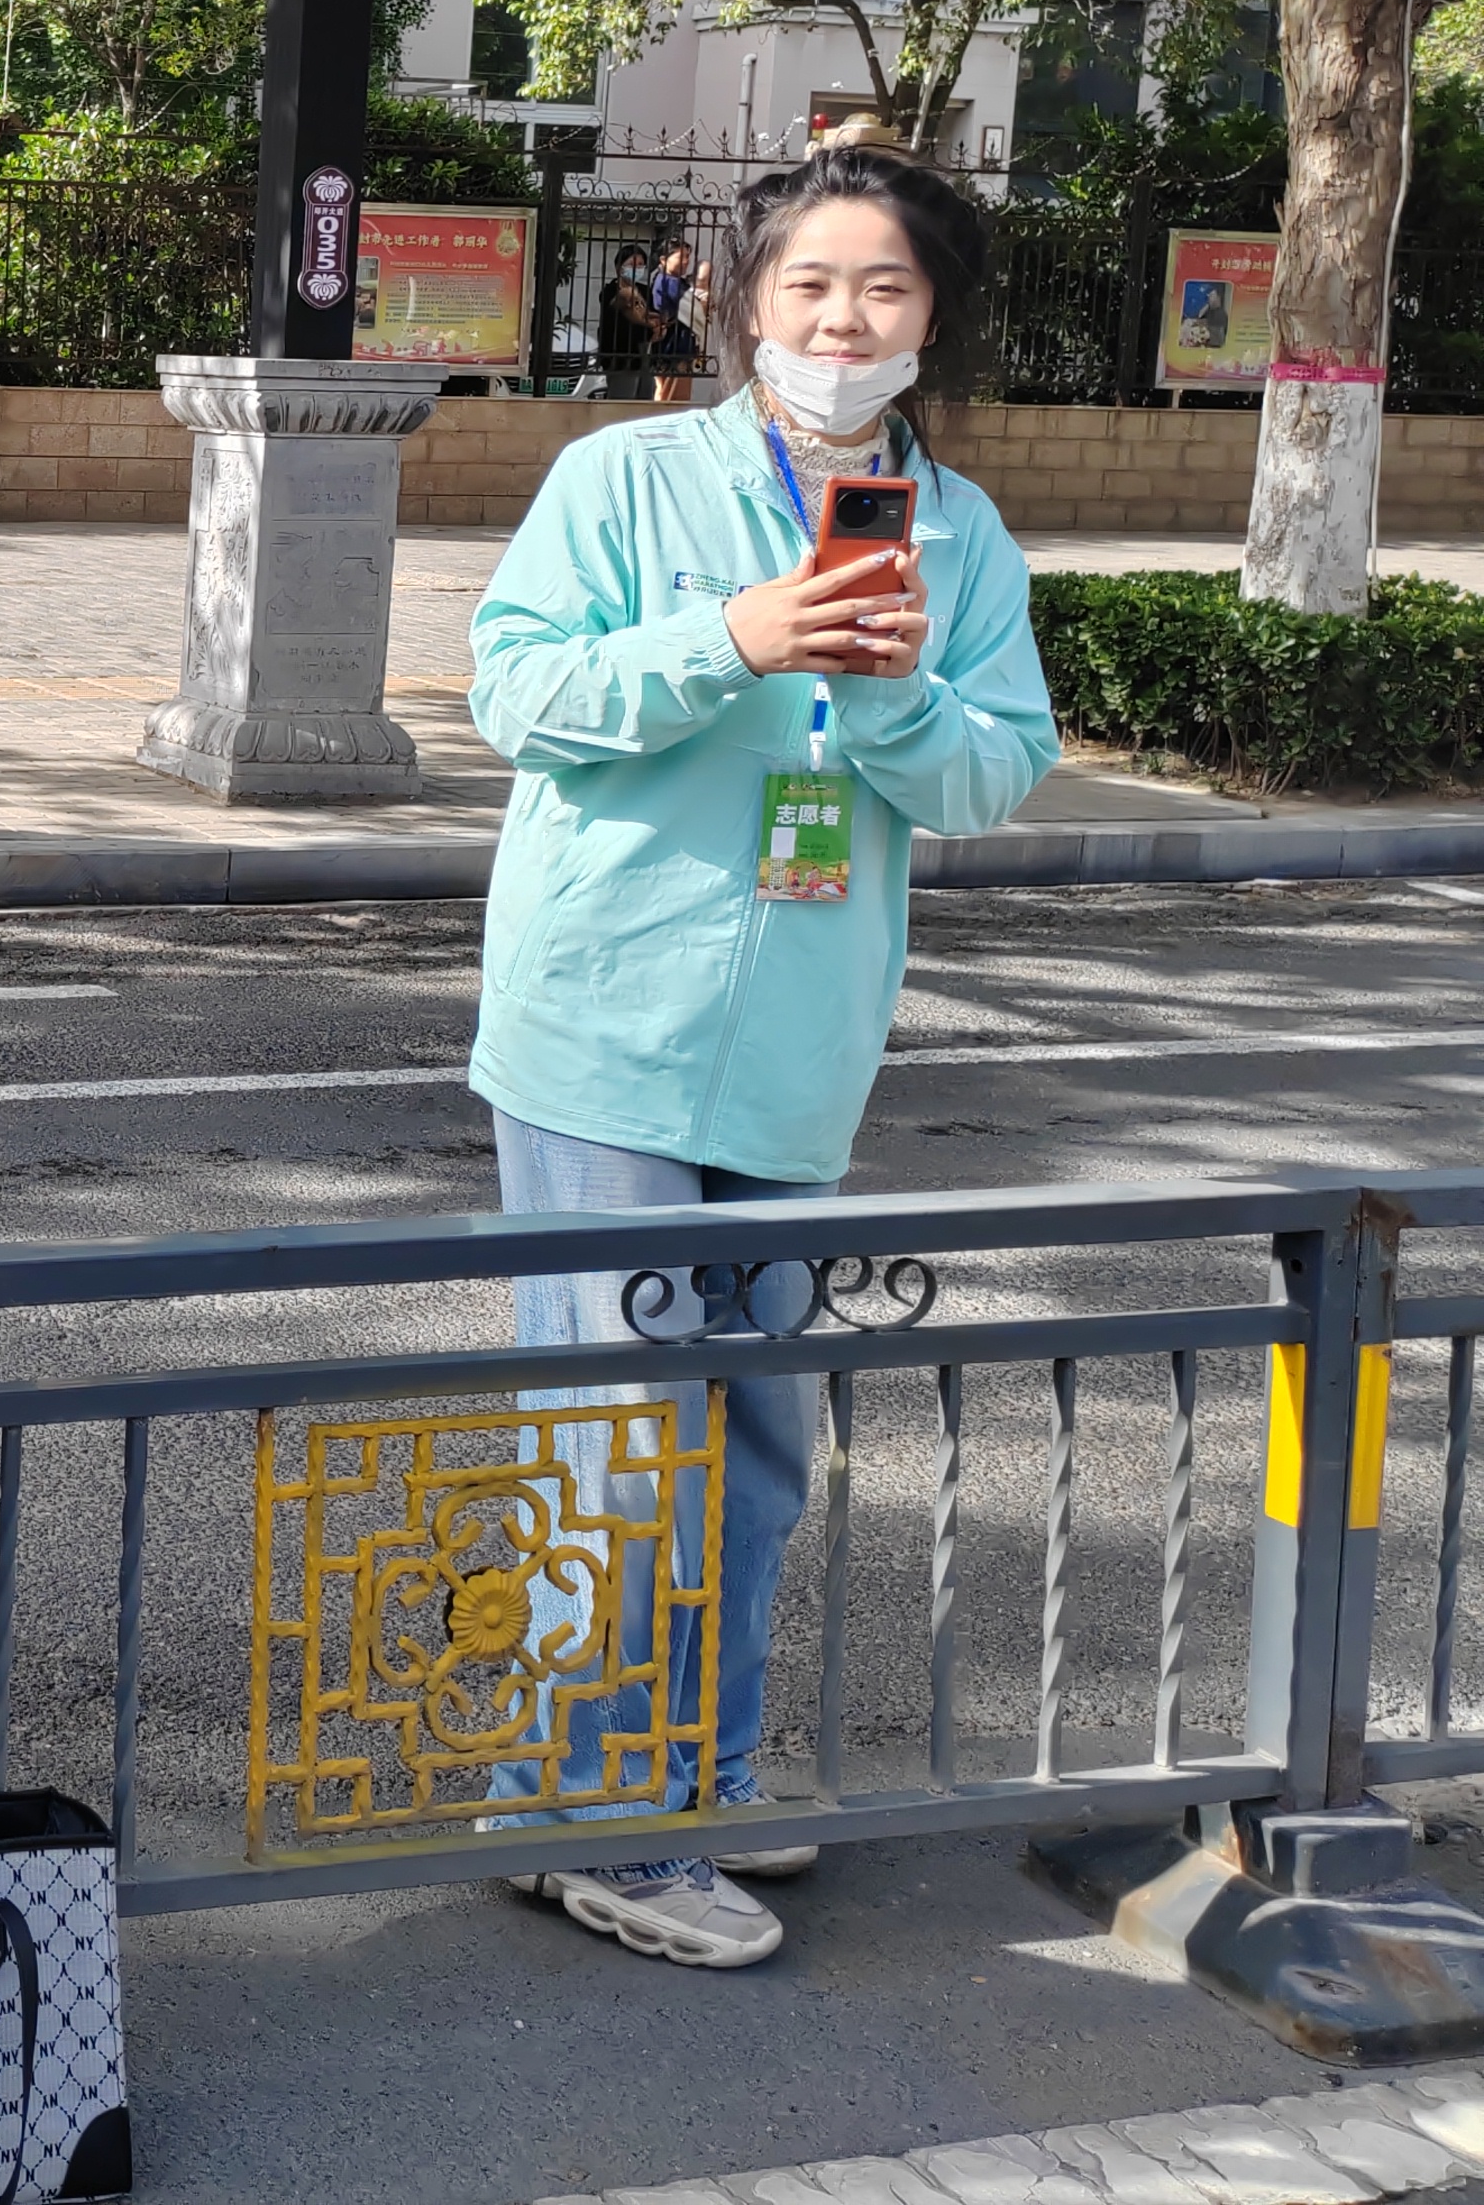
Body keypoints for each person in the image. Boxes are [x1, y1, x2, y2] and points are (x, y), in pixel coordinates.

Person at [465, 140, 1056, 1972]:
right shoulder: (621, 479)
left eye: (881, 289)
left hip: (796, 1055)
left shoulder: (954, 535)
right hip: (602, 1034)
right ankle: (573, 1810)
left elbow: (992, 774)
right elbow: (517, 698)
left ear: (929, 318)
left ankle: (692, 1775)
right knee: (618, 1433)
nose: (841, 319)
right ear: (746, 304)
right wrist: (735, 637)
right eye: (809, 286)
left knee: (752, 1441)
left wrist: (888, 692)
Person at [647, 238, 703, 403]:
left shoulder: (665, 279)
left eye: (688, 257)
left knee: (666, 395)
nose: (686, 262)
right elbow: (695, 310)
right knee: (674, 398)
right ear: (664, 259)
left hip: (672, 347)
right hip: (674, 347)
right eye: (681, 257)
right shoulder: (668, 281)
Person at [595, 245, 655, 399]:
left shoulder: (645, 290)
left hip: (642, 353)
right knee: (622, 397)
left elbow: (650, 319)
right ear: (618, 267)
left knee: (646, 393)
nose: (637, 269)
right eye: (632, 264)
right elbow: (625, 302)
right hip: (620, 356)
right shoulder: (610, 291)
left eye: (641, 265)